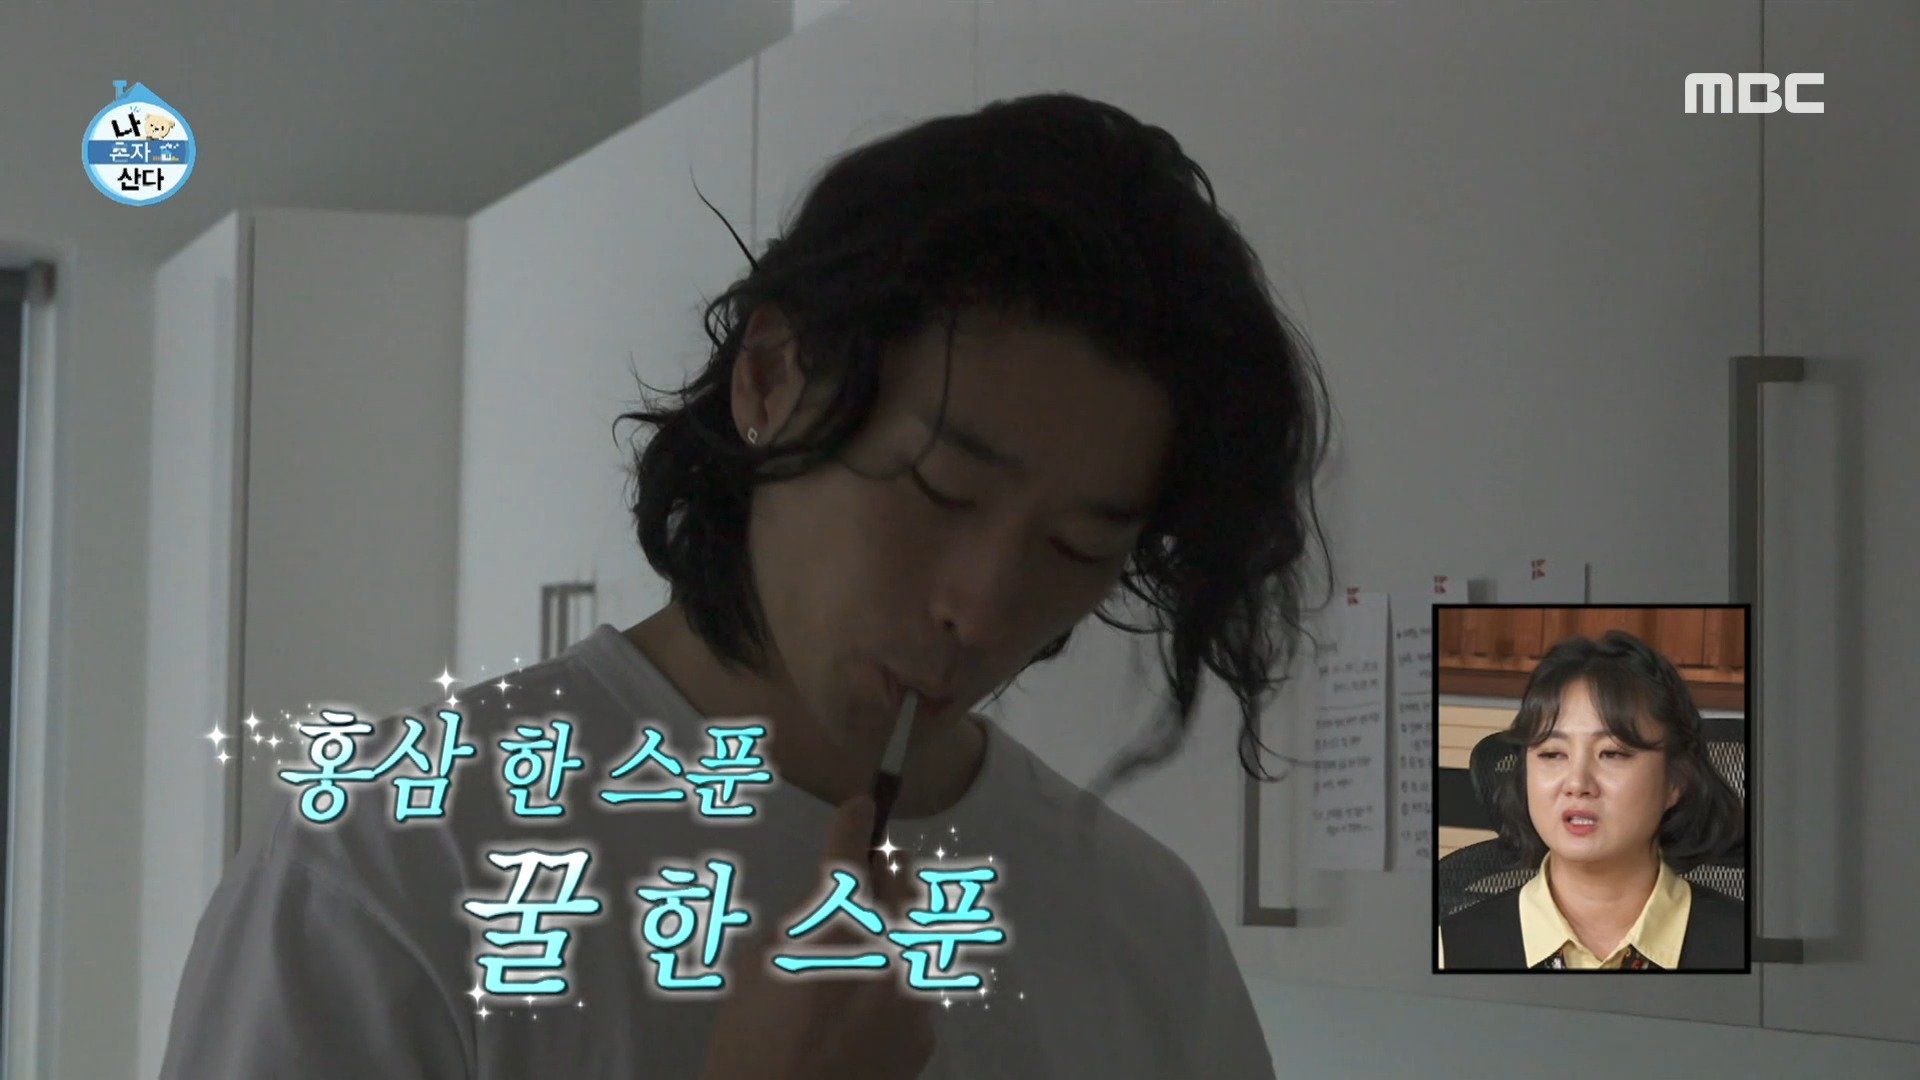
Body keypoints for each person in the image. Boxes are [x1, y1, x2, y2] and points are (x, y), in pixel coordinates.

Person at [161, 91, 1333, 1077]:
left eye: (1075, 547)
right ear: (771, 379)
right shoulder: (393, 861)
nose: (982, 610)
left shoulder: (1145, 931)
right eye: (940, 490)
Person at [1437, 629, 1746, 971]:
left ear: (1675, 781)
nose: (1577, 783)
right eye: (1553, 754)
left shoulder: (1748, 948)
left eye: (1612, 753)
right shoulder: (1448, 949)